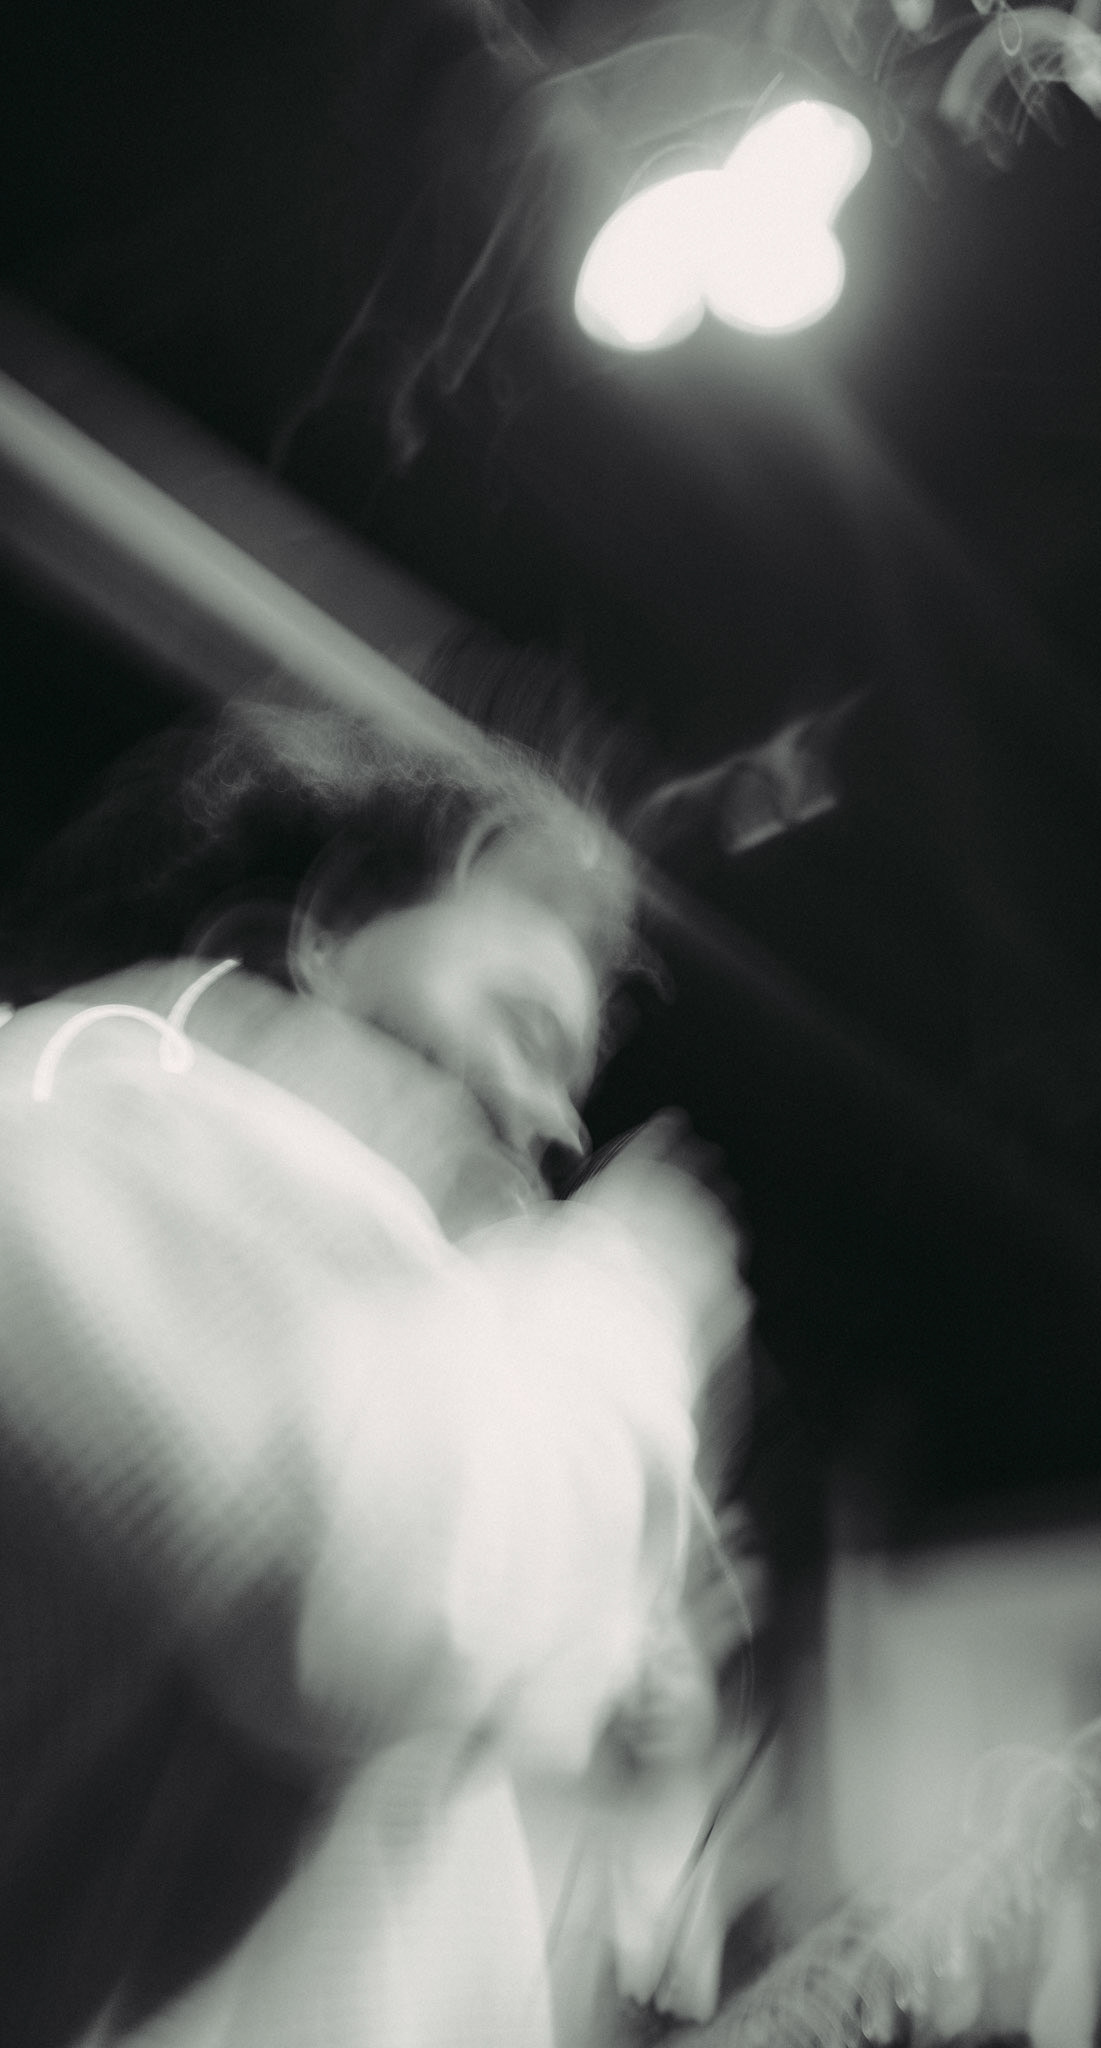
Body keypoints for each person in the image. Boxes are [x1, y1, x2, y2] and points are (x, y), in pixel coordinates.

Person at [0, 700, 752, 2048]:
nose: (552, 1123)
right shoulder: (78, 1121)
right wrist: (628, 1304)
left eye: (572, 1080)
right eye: (523, 1025)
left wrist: (633, 1762)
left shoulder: (387, 1338)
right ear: (336, 928)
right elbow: (368, 1598)